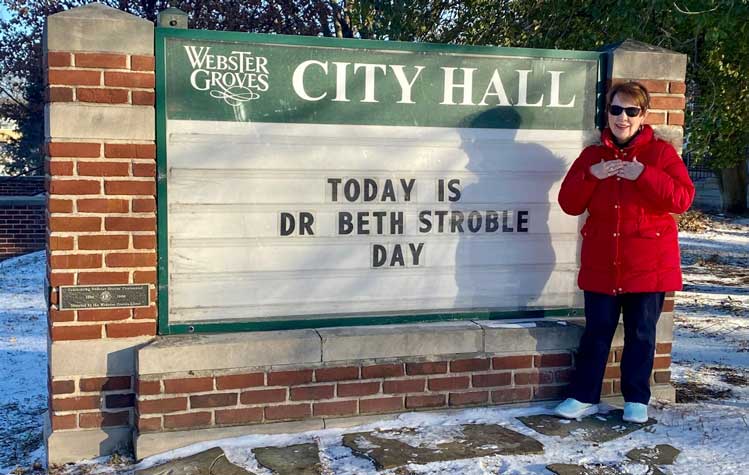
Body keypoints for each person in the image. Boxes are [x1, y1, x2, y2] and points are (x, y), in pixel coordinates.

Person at [555, 81, 695, 423]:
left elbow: (682, 199)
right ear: (608, 113)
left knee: (642, 334)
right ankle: (583, 396)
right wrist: (592, 175)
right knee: (596, 332)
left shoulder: (661, 154)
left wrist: (644, 174)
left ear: (643, 115)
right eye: (616, 110)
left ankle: (636, 399)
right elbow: (569, 203)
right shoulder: (592, 156)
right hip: (603, 262)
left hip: (648, 264)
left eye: (631, 111)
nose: (623, 117)